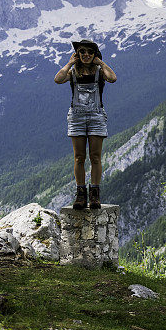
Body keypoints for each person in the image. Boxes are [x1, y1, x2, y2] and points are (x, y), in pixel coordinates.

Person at [54, 39, 117, 210]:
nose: (86, 55)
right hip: (76, 118)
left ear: (95, 54)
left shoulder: (99, 71)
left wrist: (101, 62)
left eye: (90, 52)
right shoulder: (73, 72)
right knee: (79, 157)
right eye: (82, 52)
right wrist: (69, 63)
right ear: (78, 54)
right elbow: (58, 79)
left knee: (95, 157)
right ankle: (80, 194)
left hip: (96, 116)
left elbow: (112, 78)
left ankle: (94, 194)